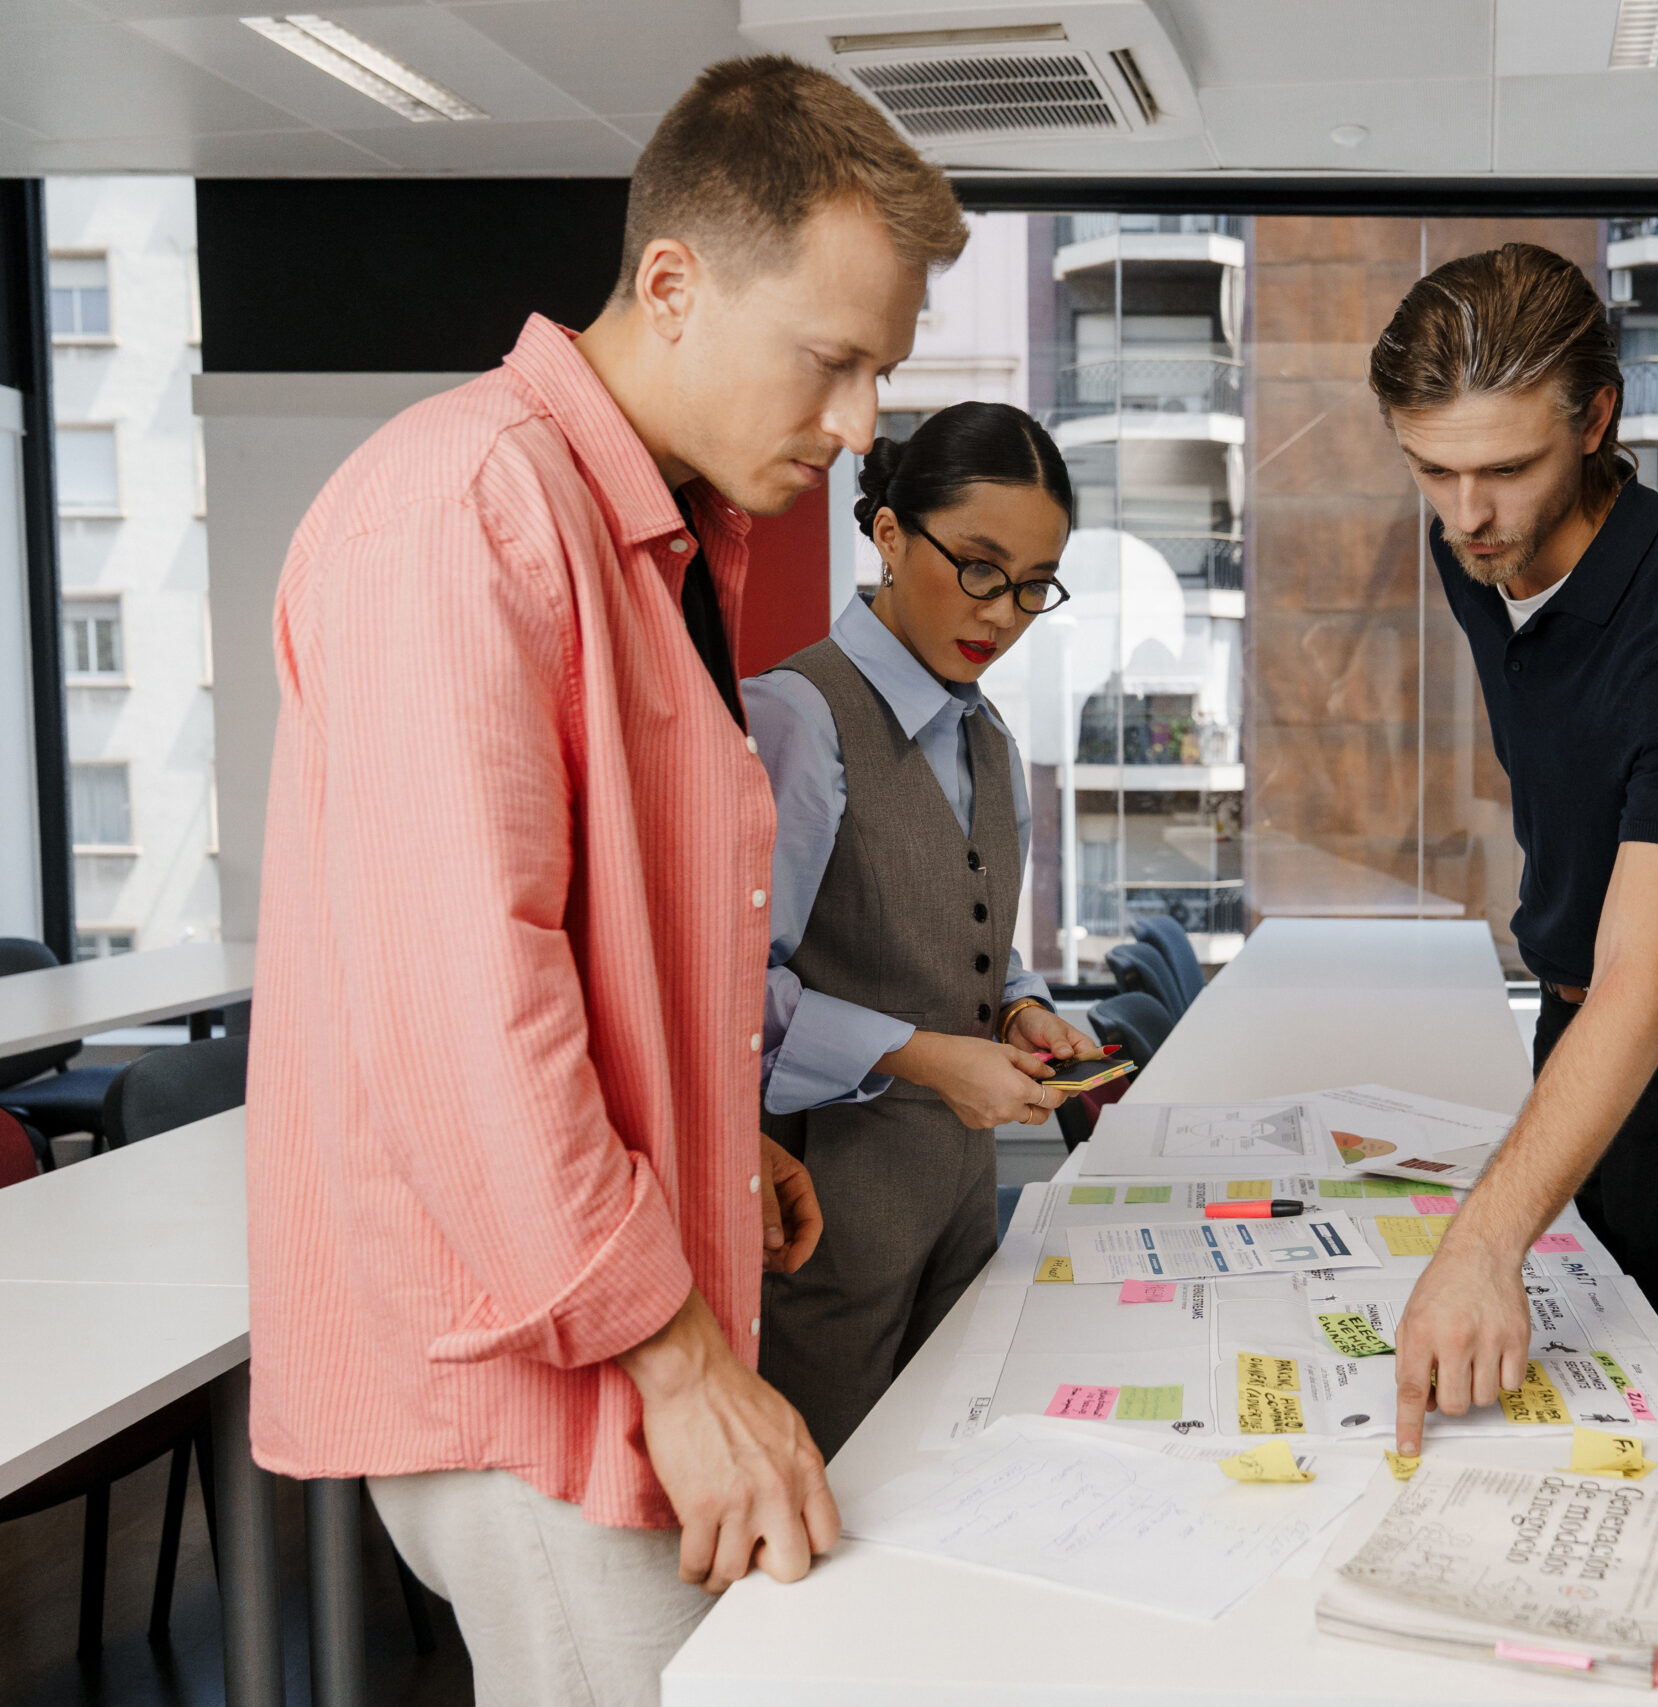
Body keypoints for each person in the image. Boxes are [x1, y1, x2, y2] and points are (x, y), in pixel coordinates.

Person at [244, 56, 968, 1704]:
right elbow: (466, 1023)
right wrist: (685, 1361)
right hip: (546, 1365)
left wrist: (716, 1147)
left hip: (606, 1318)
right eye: (833, 361)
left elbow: (606, 941)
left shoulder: (651, 529)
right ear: (674, 285)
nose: (862, 425)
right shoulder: (464, 509)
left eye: (881, 373)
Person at [1369, 244, 1658, 1707]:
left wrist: (1481, 1240)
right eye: (1432, 470)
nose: (1466, 512)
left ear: (1600, 419)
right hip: (1573, 1020)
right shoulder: (1472, 544)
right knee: (1578, 1445)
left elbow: (1644, 974)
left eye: (1503, 469)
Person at [745, 402, 1101, 1457]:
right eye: (980, 568)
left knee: (945, 1481)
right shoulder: (796, 717)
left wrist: (1022, 1005)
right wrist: (926, 1056)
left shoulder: (987, 733)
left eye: (1034, 585)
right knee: (829, 1506)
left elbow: (966, 926)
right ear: (892, 535)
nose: (1002, 614)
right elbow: (731, 992)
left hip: (957, 1197)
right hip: (825, 1213)